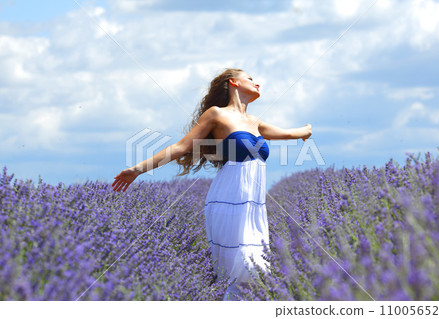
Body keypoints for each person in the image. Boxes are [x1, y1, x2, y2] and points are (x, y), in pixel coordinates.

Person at [111, 68, 312, 300]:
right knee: (243, 268)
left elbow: (288, 133)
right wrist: (138, 169)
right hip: (229, 198)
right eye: (251, 79)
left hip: (253, 205)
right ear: (233, 82)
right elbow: (181, 147)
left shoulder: (254, 122)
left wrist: (306, 130)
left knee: (256, 268)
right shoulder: (216, 114)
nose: (257, 84)